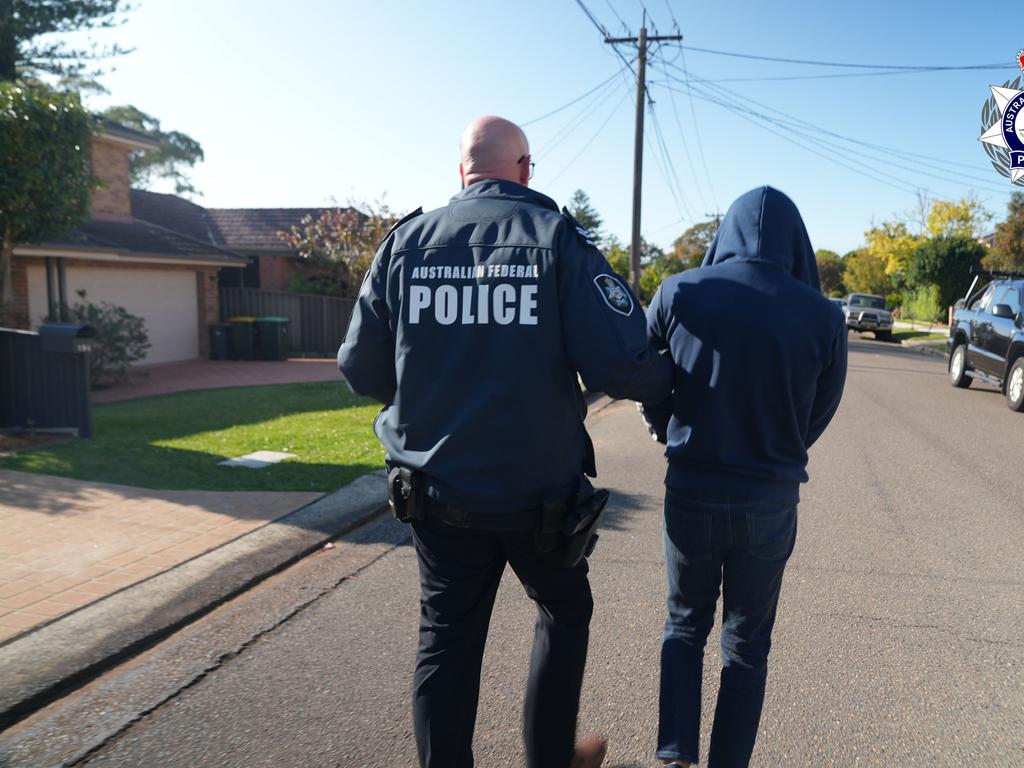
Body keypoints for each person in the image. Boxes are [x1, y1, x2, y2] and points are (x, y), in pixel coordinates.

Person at [338, 115, 672, 768]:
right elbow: (628, 367)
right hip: (538, 499)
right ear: (524, 169)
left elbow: (360, 367)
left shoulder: (405, 243)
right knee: (564, 611)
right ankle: (550, 760)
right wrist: (679, 379)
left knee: (446, 638)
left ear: (462, 172)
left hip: (437, 495)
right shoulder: (557, 239)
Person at [641, 186, 848, 767]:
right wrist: (778, 447)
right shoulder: (824, 315)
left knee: (684, 626)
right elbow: (820, 409)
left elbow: (648, 379)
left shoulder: (679, 292)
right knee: (747, 647)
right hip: (770, 499)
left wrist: (669, 429)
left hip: (692, 491)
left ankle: (675, 755)